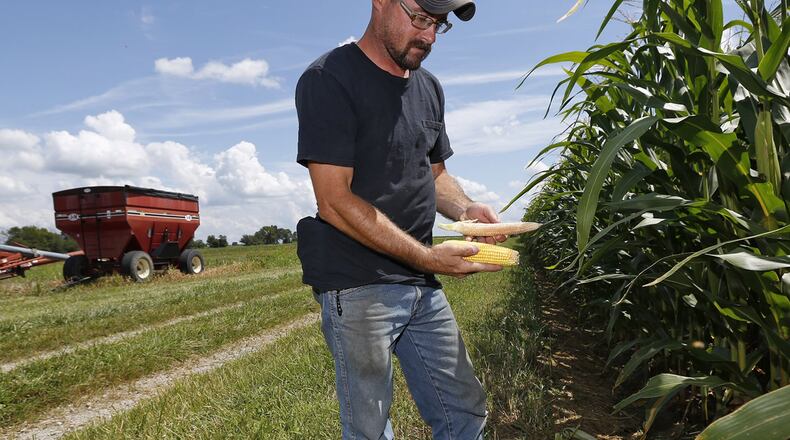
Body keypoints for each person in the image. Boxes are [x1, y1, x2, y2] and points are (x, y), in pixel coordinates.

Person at [295, 0, 506, 438]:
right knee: (371, 428)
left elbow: (436, 176)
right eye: (421, 19)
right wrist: (429, 258)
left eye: (440, 25)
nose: (429, 37)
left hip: (420, 283)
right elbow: (334, 201)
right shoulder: (329, 80)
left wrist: (465, 209)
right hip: (357, 284)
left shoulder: (428, 87)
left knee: (465, 410)